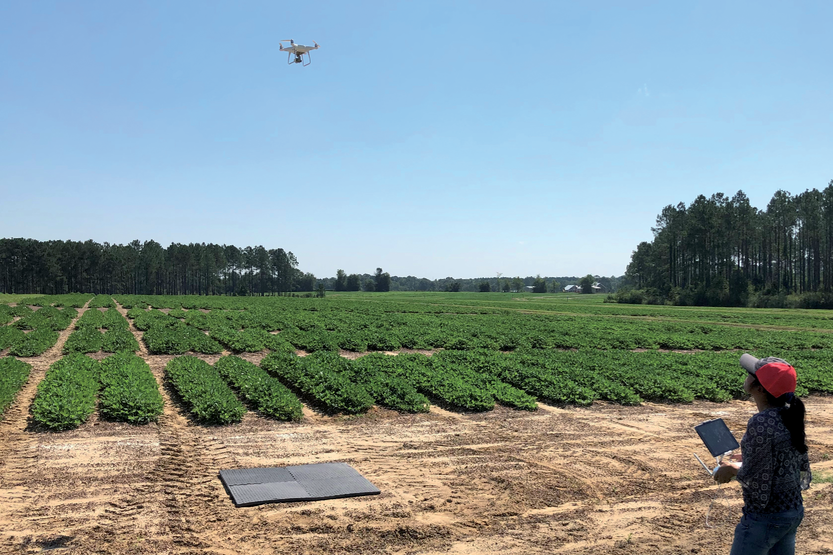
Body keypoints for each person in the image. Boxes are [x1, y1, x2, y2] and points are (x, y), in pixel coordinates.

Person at [714, 354, 812, 555]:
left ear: (759, 388)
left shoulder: (761, 422)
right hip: (791, 511)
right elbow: (786, 456)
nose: (747, 376)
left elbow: (758, 480)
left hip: (766, 517)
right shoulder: (789, 414)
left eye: (750, 374)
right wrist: (750, 457)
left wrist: (731, 469)